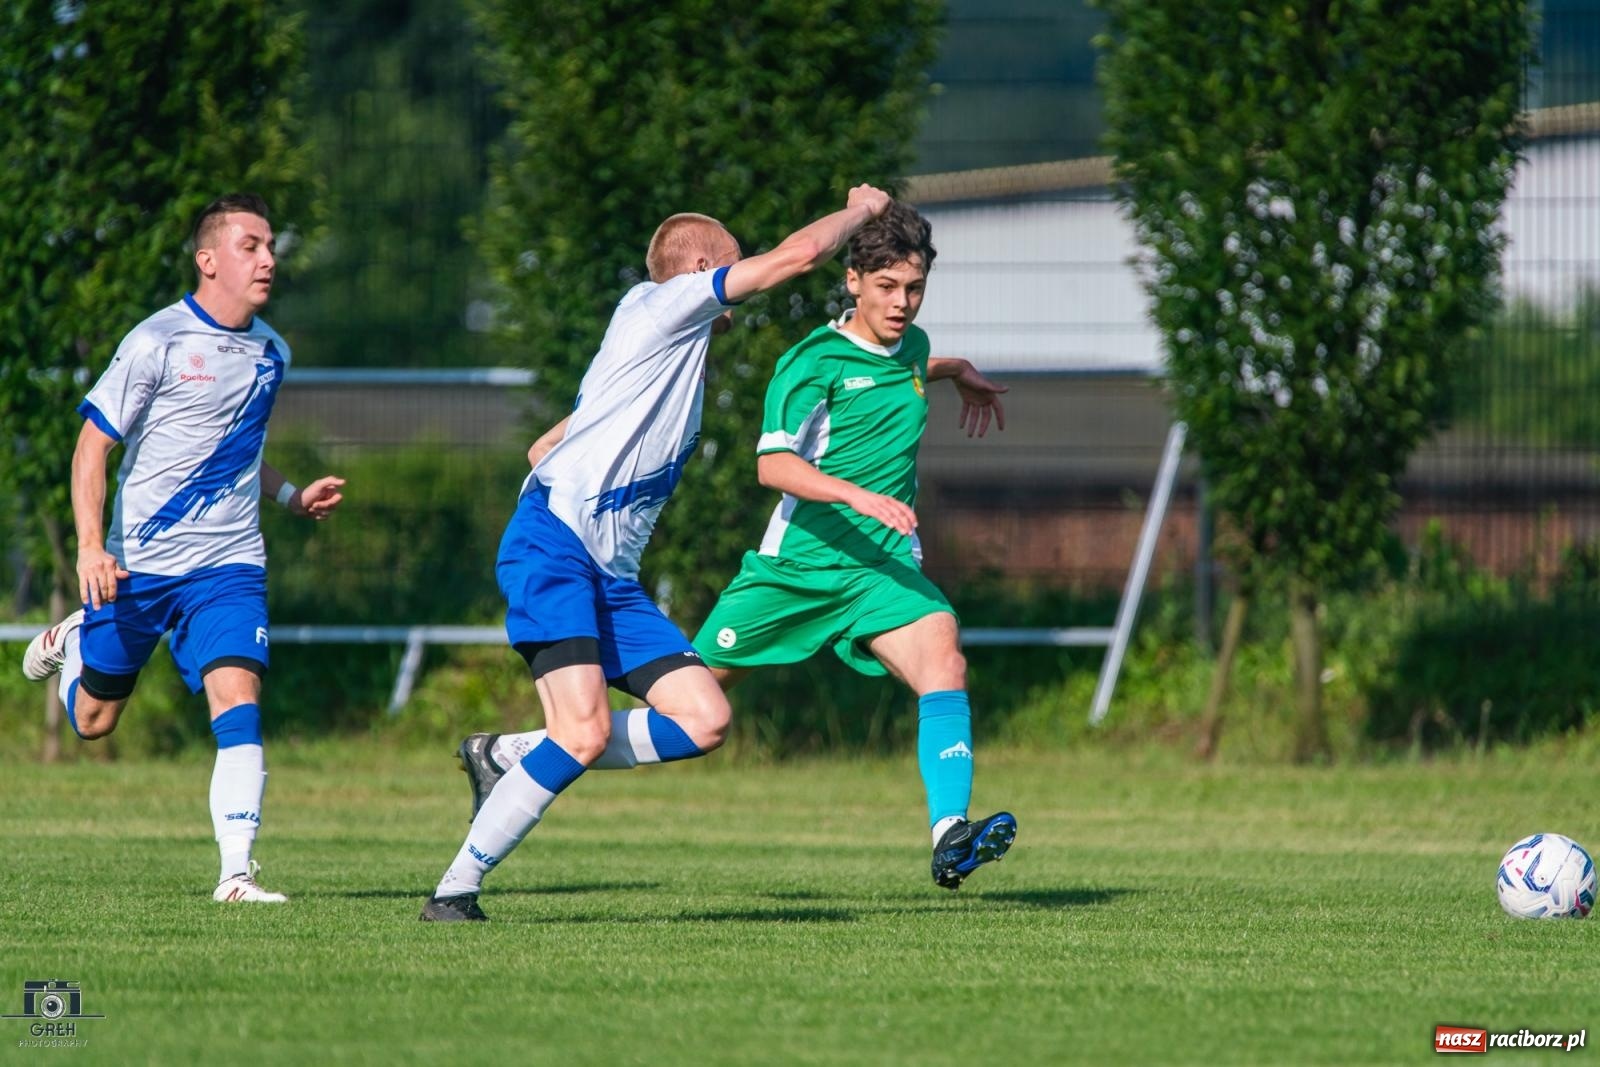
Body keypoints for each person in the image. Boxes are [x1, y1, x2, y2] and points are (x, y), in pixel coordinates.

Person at [459, 202, 1016, 892]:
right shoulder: (787, 355)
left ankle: (949, 836)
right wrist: (855, 494)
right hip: (790, 572)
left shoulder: (907, 348)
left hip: (879, 569)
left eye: (914, 289)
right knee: (688, 712)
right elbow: (773, 462)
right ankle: (519, 753)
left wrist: (959, 370)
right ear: (853, 282)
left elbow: (908, 365)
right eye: (887, 287)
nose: (902, 303)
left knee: (944, 660)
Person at [420, 184, 894, 922]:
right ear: (702, 266)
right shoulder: (660, 303)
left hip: (608, 577)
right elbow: (796, 257)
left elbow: (547, 441)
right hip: (556, 547)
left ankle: (508, 755)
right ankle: (454, 890)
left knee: (704, 717)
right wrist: (864, 210)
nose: (742, 276)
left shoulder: (667, 351)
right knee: (582, 730)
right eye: (732, 262)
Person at [20, 193, 345, 904]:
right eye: (251, 245)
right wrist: (87, 548)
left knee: (240, 697)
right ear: (209, 261)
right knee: (93, 722)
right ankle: (76, 642)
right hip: (135, 563)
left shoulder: (272, 352)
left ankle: (236, 873)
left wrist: (290, 495)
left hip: (228, 565)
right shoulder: (156, 342)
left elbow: (237, 451)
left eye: (270, 247)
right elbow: (92, 448)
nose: (268, 258)